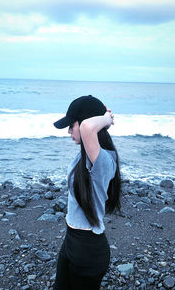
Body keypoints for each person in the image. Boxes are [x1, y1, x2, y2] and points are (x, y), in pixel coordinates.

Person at [53, 95, 121, 290]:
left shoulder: (103, 162)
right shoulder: (84, 155)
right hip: (71, 240)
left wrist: (107, 118)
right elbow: (87, 128)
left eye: (71, 125)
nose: (68, 131)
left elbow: (87, 128)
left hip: (89, 249)